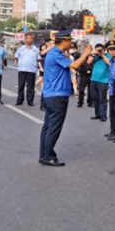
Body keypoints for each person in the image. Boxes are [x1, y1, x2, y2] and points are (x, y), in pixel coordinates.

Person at [38, 30, 93, 166]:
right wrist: (86, 53)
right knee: (53, 127)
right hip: (57, 95)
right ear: (64, 41)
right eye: (70, 41)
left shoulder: (55, 53)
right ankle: (48, 156)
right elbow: (74, 65)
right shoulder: (56, 54)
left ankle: (44, 154)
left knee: (48, 126)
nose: (71, 43)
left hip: (51, 94)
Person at [90, 42, 115, 122]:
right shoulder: (96, 56)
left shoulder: (108, 56)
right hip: (93, 80)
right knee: (95, 99)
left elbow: (110, 63)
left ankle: (103, 115)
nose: (99, 51)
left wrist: (102, 55)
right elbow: (88, 62)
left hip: (103, 81)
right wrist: (94, 53)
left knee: (102, 99)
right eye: (98, 50)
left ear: (104, 50)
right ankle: (97, 114)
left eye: (101, 50)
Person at [15, 33, 41, 107]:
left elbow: (38, 59)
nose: (29, 40)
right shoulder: (20, 49)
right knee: (21, 85)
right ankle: (20, 100)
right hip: (22, 69)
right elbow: (16, 57)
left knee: (30, 86)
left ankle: (30, 100)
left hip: (31, 70)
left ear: (32, 39)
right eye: (27, 38)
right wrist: (19, 64)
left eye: (30, 38)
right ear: (25, 39)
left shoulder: (35, 49)